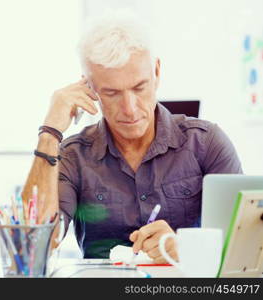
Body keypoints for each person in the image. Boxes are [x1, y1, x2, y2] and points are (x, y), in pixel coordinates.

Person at [21, 11, 242, 262]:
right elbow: (32, 248)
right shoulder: (73, 156)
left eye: (139, 87)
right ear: (89, 89)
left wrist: (187, 250)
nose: (130, 108)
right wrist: (50, 132)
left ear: (156, 72)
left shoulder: (206, 143)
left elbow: (245, 248)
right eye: (112, 93)